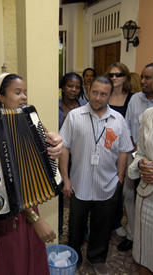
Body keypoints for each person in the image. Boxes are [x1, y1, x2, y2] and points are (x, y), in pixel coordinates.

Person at [0, 72, 62, 275]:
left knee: (31, 257)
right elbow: (4, 182)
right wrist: (35, 219)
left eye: (25, 92)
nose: (24, 97)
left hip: (28, 201)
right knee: (13, 261)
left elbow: (46, 157)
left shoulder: (29, 118)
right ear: (0, 96)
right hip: (7, 211)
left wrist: (54, 147)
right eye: (17, 92)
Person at [59, 76, 133, 275]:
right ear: (89, 90)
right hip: (78, 184)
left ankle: (97, 257)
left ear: (110, 95)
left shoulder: (118, 120)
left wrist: (120, 177)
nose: (98, 98)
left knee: (102, 226)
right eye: (95, 92)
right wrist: (65, 179)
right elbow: (64, 148)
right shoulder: (74, 116)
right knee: (75, 227)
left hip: (107, 184)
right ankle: (74, 256)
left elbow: (124, 150)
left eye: (103, 94)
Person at [128, 53, 153, 275]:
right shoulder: (148, 115)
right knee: (145, 259)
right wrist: (141, 164)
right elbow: (140, 151)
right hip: (147, 201)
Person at [118, 63, 153, 251]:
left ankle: (147, 238)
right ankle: (132, 235)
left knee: (148, 199)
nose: (142, 81)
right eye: (142, 77)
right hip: (133, 156)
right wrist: (131, 147)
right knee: (128, 195)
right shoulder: (135, 99)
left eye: (148, 78)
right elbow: (126, 125)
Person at [106, 62, 133, 237]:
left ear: (126, 78)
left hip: (123, 149)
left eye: (118, 75)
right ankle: (102, 221)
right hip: (104, 148)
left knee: (119, 186)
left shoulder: (132, 98)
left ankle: (116, 222)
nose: (114, 78)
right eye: (111, 75)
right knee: (103, 186)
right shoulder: (103, 95)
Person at [58, 72, 86, 237]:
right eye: (70, 86)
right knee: (60, 194)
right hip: (59, 155)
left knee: (80, 196)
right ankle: (59, 228)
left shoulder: (85, 106)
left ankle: (81, 231)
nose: (74, 90)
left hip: (79, 157)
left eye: (77, 87)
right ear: (62, 86)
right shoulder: (55, 106)